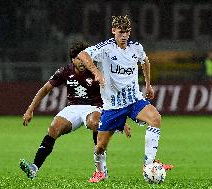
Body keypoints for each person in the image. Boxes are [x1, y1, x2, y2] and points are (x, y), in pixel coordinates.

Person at [78, 15, 174, 183]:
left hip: (134, 100)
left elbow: (145, 61)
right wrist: (97, 72)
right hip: (113, 106)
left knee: (155, 119)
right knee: (100, 147)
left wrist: (148, 84)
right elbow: (82, 55)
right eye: (121, 32)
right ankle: (100, 172)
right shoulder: (105, 48)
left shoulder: (136, 48)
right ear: (113, 31)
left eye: (127, 32)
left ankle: (149, 164)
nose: (124, 36)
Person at [19, 41, 130, 180]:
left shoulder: (97, 71)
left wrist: (120, 117)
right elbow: (45, 89)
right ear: (73, 60)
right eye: (79, 58)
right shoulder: (65, 71)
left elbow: (113, 92)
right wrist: (30, 109)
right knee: (53, 129)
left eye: (86, 58)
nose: (83, 61)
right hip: (73, 107)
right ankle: (34, 168)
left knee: (94, 123)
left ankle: (101, 170)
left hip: (95, 106)